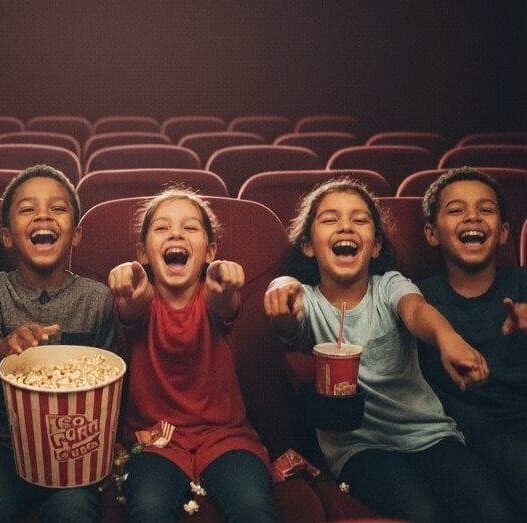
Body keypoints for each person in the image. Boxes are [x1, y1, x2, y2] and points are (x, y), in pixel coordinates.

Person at [263, 178, 514, 523]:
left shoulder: (390, 286)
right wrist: (281, 287)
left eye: (360, 219)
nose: (346, 226)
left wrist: (447, 339)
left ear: (376, 245)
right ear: (308, 245)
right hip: (358, 448)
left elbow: (417, 312)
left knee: (492, 512)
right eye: (330, 219)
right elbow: (287, 322)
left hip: (431, 433)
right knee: (422, 514)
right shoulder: (307, 300)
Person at [0, 165, 117, 523]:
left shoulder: (97, 298)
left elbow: (111, 384)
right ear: (7, 237)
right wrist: (5, 349)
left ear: (76, 235)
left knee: (75, 510)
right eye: (27, 209)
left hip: (77, 443)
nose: (43, 215)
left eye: (57, 209)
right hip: (1, 441)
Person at [108, 188, 277, 523]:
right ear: (143, 252)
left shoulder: (215, 296)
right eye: (162, 227)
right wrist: (130, 286)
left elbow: (224, 304)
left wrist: (224, 286)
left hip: (226, 436)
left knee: (253, 507)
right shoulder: (139, 298)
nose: (175, 233)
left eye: (190, 228)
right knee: (149, 509)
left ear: (210, 250)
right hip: (155, 439)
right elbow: (132, 308)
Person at [418, 167, 527, 517]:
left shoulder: (523, 284)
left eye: (486, 209)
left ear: (504, 233)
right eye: (455, 210)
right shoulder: (419, 300)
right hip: (467, 437)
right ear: (432, 234)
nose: (472, 217)